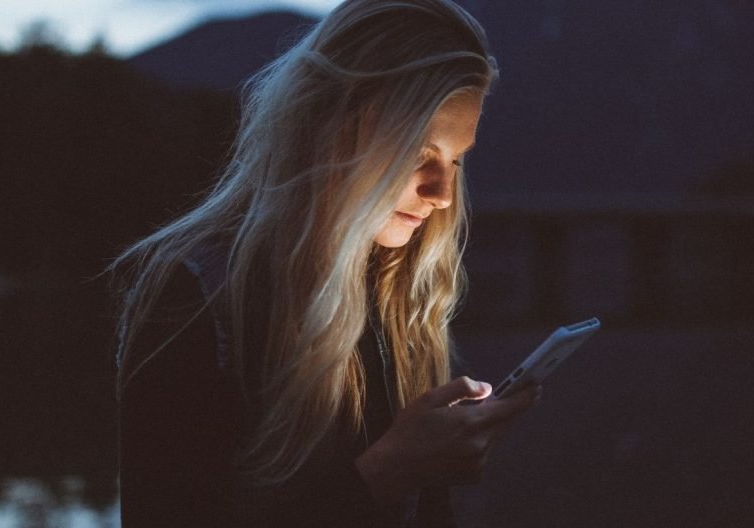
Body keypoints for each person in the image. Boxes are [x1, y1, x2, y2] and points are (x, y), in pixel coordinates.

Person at [111, 0, 540, 526]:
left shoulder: (393, 294)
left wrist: (431, 465)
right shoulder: (197, 297)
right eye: (417, 152)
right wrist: (391, 470)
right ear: (331, 124)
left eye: (455, 159)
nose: (443, 194)